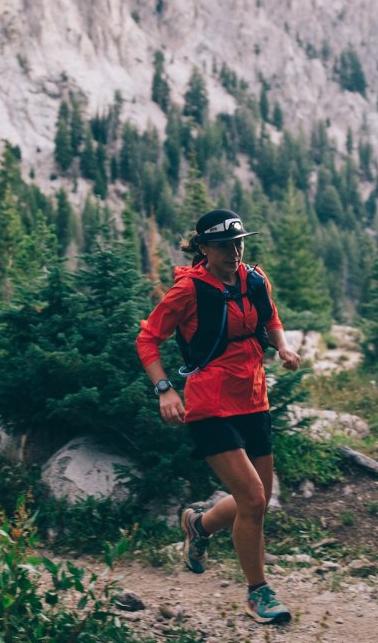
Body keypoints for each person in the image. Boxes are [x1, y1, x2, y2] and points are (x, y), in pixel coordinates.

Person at [136, 209, 301, 625]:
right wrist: (164, 389)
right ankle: (258, 592)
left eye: (239, 241)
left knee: (258, 500)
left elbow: (271, 319)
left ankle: (198, 525)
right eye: (225, 245)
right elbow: (148, 339)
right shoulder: (188, 290)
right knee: (253, 499)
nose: (235, 250)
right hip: (209, 403)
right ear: (204, 249)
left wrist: (282, 347)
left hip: (254, 397)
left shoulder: (255, 279)